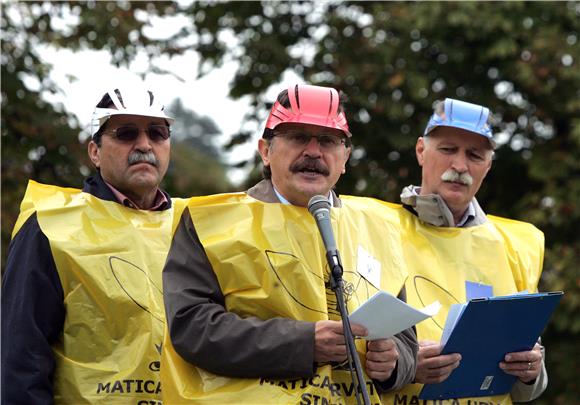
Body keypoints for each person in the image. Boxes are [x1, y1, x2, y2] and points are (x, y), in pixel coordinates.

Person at [161, 83, 418, 404]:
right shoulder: (209, 221)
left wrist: (393, 363)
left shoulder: (379, 226)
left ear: (346, 157)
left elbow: (407, 343)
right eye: (297, 137)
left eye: (327, 140)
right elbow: (192, 327)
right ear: (265, 151)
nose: (313, 151)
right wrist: (303, 343)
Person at [1, 85, 185, 404]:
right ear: (95, 152)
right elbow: (21, 358)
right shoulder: (51, 225)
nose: (144, 145)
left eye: (157, 133)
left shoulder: (194, 224)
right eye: (126, 134)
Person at [382, 98, 547, 404]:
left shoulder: (518, 243)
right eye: (447, 150)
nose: (459, 166)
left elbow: (528, 385)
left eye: (474, 155)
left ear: (488, 165)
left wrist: (531, 370)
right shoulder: (374, 226)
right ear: (421, 150)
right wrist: (405, 365)